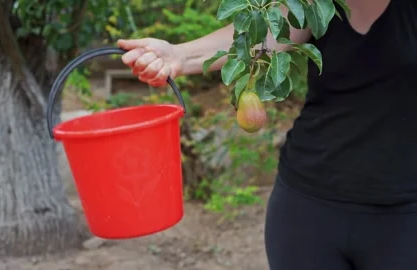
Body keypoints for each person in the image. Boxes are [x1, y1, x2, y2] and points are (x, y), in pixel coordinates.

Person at [117, 0, 417, 269]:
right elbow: (260, 39)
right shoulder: (316, 5)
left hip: (403, 215)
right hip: (307, 206)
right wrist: (179, 55)